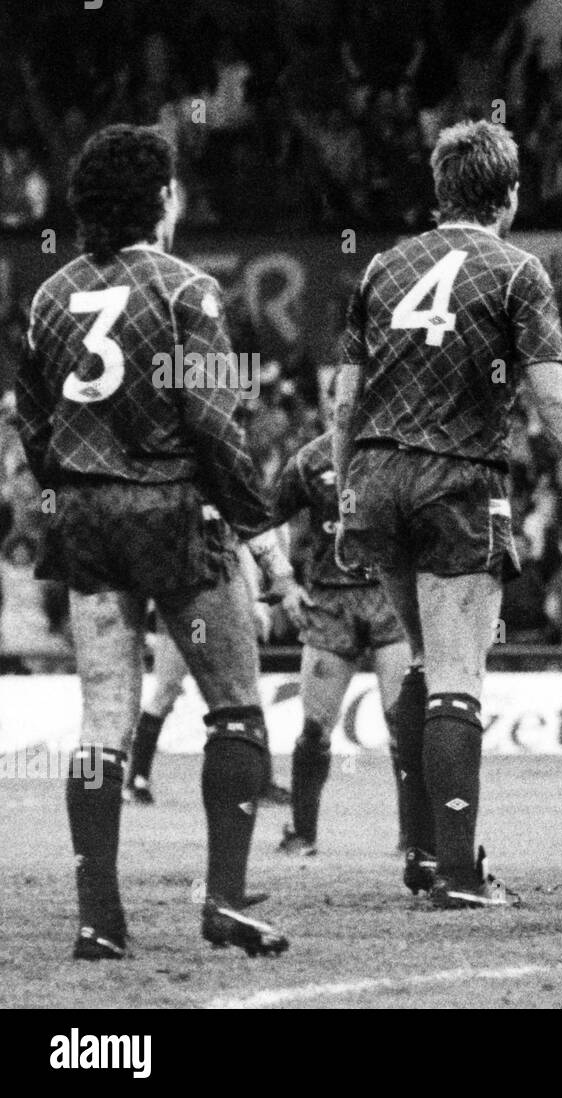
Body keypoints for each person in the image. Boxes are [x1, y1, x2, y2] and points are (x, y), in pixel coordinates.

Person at [333, 120, 562, 909]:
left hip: (376, 474)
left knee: (424, 660)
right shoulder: (516, 270)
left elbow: (345, 395)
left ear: (441, 189)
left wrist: (343, 491)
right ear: (510, 194)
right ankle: (459, 876)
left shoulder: (384, 266)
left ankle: (427, 853)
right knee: (459, 671)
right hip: (457, 478)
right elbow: (553, 392)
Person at [17, 124, 288, 958]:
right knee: (236, 706)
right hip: (173, 514)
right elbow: (215, 424)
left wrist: (69, 494)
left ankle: (99, 921)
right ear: (160, 198)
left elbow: (32, 425)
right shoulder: (188, 291)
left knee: (102, 718)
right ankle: (227, 900)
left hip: (87, 522)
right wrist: (265, 542)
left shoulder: (49, 295)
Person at [271, 425, 412, 857]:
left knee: (404, 727)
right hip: (331, 605)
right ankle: (303, 834)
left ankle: (414, 838)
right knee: (315, 729)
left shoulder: (403, 453)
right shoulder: (309, 461)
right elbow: (260, 518)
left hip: (390, 599)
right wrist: (283, 583)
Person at [123, 535, 299, 808]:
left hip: (219, 602)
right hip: (182, 604)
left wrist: (254, 603)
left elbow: (241, 550)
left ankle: (261, 784)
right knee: (170, 688)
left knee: (242, 689)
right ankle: (136, 779)